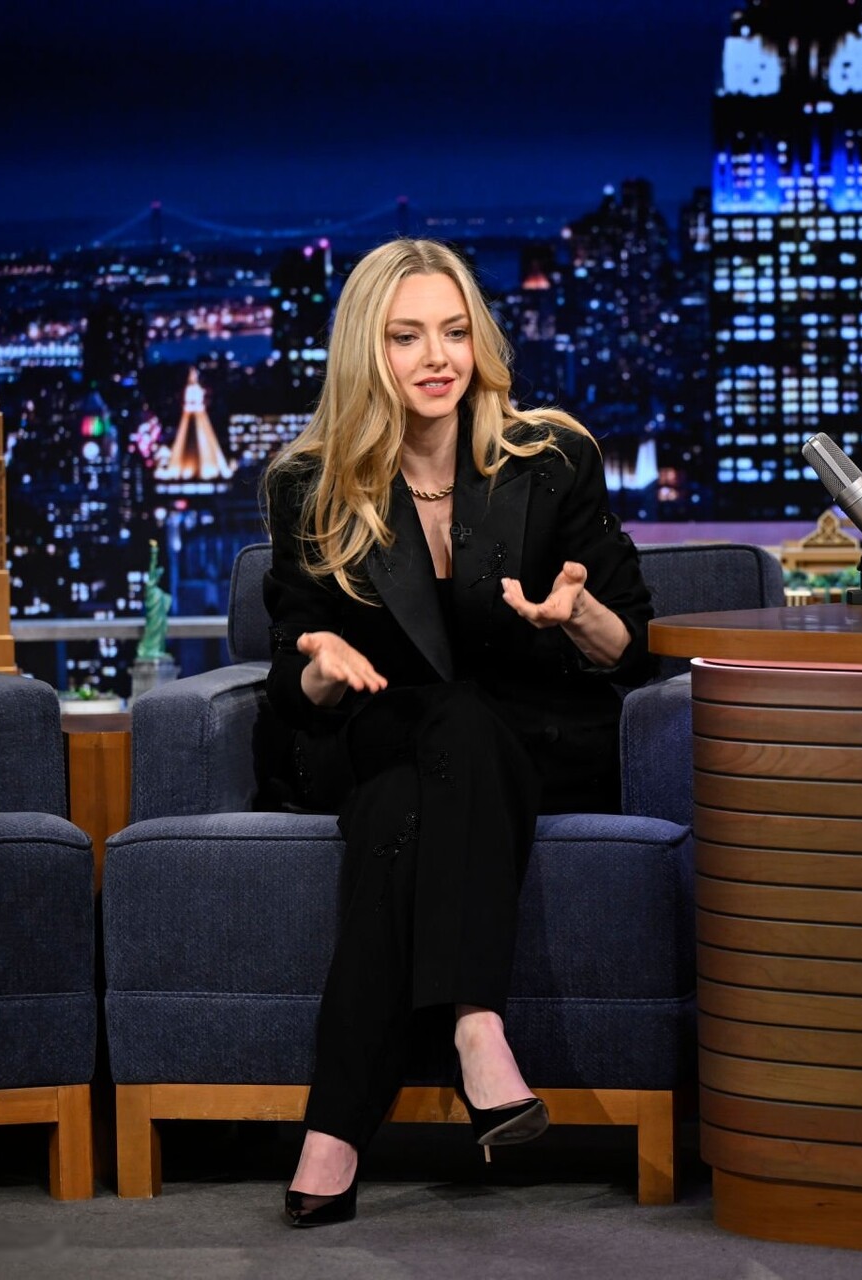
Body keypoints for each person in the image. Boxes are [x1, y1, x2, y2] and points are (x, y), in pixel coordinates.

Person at [260, 238, 654, 1226]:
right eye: (407, 337)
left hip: (529, 743)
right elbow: (289, 672)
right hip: (380, 728)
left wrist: (579, 615)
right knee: (436, 727)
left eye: (454, 331)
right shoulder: (310, 485)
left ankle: (335, 1130)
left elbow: (631, 642)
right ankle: (476, 1024)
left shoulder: (550, 459)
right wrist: (319, 665)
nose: (438, 357)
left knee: (410, 795)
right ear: (367, 350)